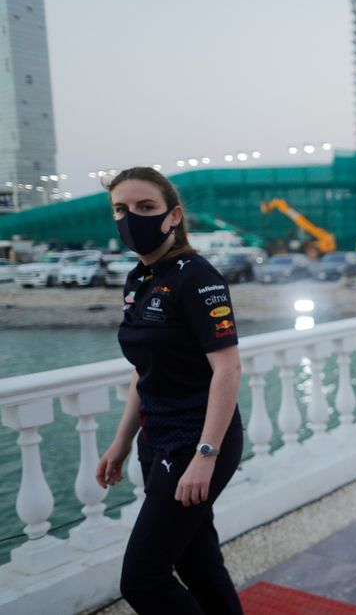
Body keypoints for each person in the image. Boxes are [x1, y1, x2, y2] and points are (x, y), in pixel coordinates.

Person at [95, 167, 244, 614]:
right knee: (196, 561)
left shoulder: (197, 277)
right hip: (155, 438)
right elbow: (146, 372)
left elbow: (228, 369)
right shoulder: (138, 279)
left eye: (145, 208)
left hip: (195, 443)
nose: (130, 218)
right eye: (121, 209)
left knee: (142, 579)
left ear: (173, 216)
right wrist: (121, 443)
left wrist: (205, 454)